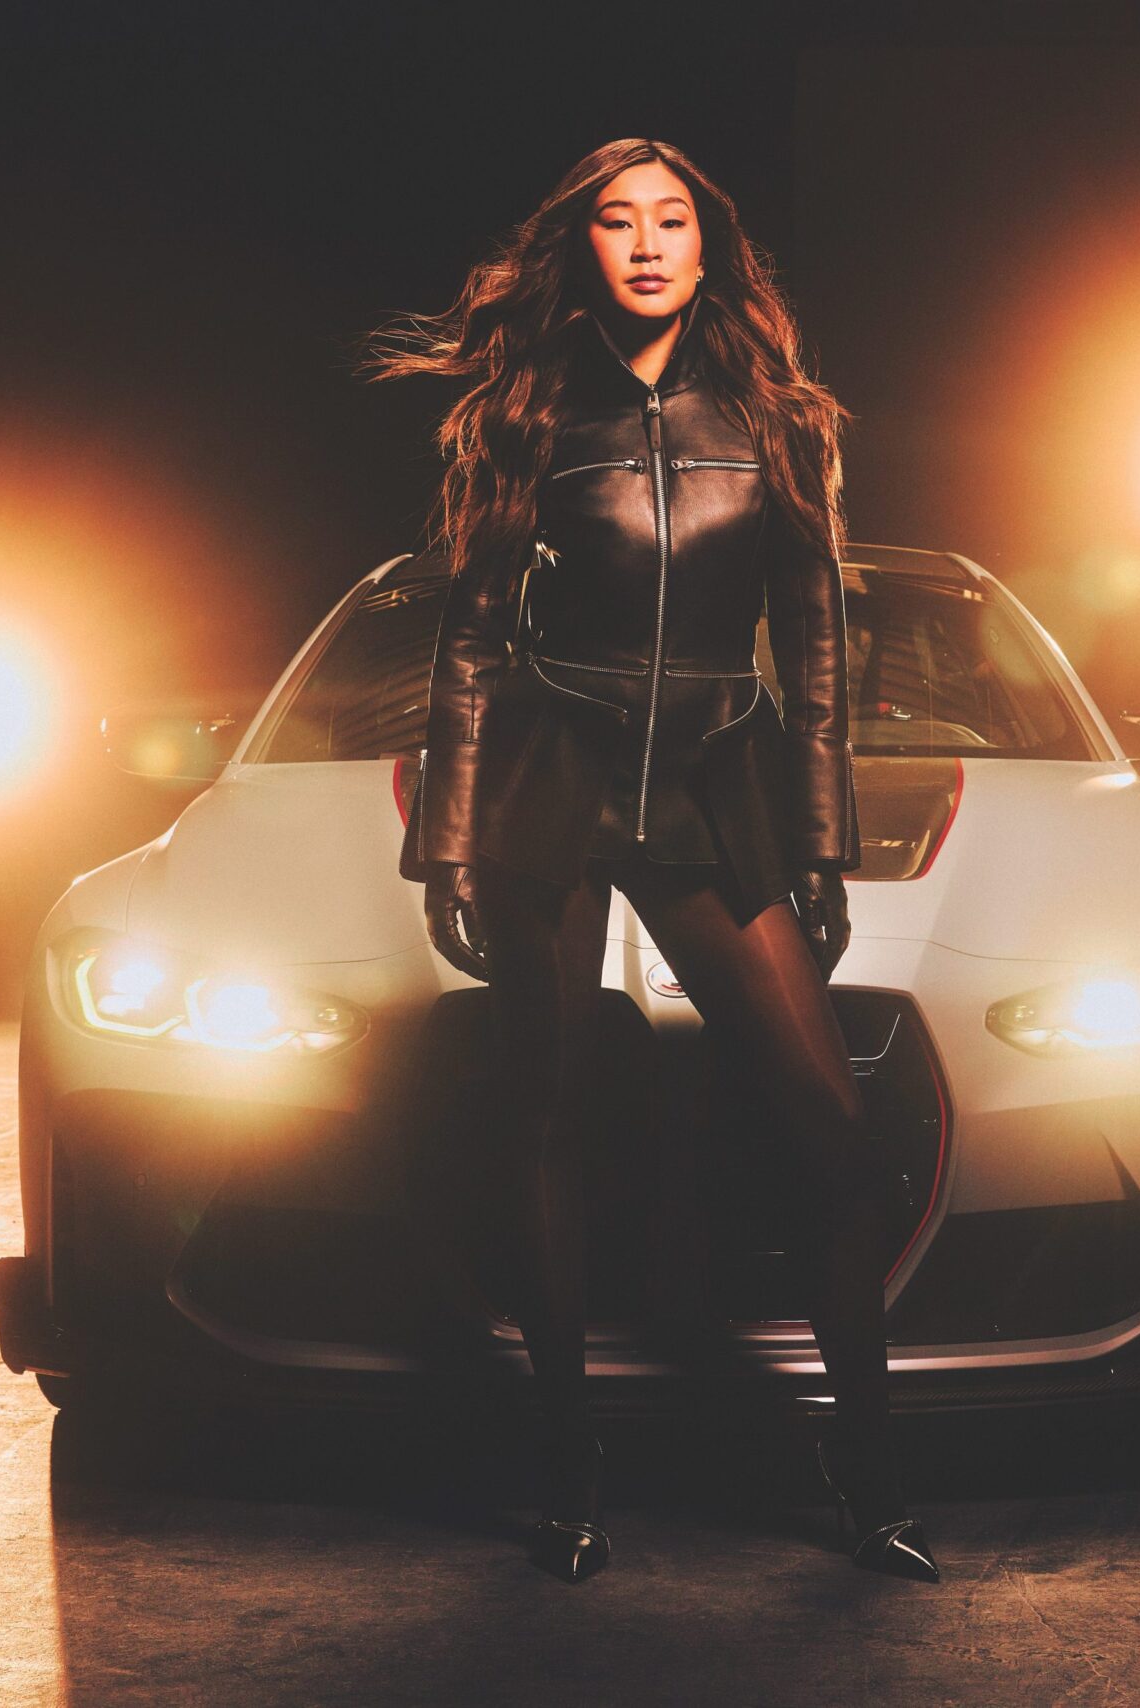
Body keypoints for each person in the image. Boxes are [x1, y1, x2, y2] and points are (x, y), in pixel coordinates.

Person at [357, 137, 938, 1585]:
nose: (645, 243)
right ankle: (568, 1459)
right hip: (552, 777)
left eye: (671, 219)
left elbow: (814, 644)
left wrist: (821, 840)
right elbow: (475, 640)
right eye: (617, 221)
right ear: (585, 248)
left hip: (713, 772)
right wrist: (449, 849)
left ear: (709, 245)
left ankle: (863, 1464)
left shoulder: (786, 418)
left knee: (829, 1132)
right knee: (542, 1118)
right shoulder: (521, 414)